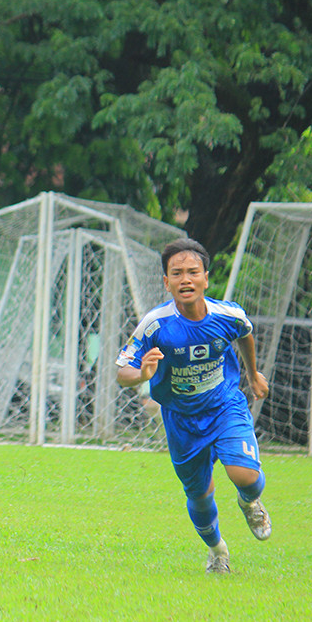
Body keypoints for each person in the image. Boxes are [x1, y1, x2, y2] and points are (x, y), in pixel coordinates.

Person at [115, 238, 271, 574]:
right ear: (166, 282)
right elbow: (122, 371)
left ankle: (249, 502)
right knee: (200, 495)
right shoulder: (155, 324)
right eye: (177, 273)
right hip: (181, 418)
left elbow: (245, 332)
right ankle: (218, 551)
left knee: (245, 475)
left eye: (192, 272)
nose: (185, 279)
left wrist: (253, 374)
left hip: (224, 404)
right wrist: (142, 372)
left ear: (205, 278)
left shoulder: (227, 315)